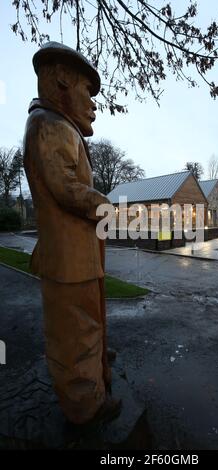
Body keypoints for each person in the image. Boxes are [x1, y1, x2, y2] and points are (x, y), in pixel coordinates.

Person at [23, 42, 121, 425]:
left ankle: (94, 365)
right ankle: (85, 405)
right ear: (62, 81)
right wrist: (101, 202)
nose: (94, 104)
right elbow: (64, 186)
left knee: (89, 322)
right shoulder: (49, 126)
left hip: (81, 258)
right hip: (68, 260)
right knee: (75, 332)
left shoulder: (61, 127)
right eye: (88, 92)